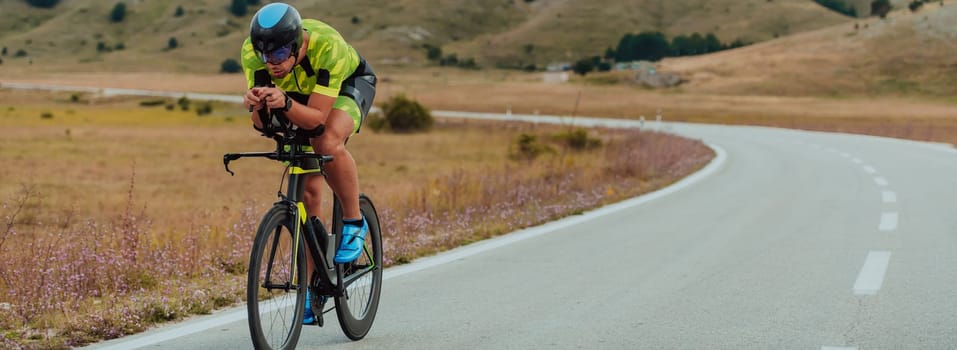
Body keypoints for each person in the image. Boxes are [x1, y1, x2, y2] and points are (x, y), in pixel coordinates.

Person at [241, 2, 376, 324]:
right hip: (298, 95)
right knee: (307, 197)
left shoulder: (326, 46)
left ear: (297, 44)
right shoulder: (254, 52)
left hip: (347, 86)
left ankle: (355, 222)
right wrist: (256, 105)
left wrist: (285, 102)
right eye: (264, 56)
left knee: (325, 141)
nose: (270, 63)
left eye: (277, 54)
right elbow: (264, 127)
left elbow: (316, 121)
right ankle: (313, 288)